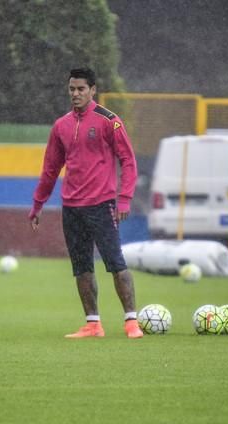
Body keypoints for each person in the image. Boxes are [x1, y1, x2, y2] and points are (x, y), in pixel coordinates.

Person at [29, 67, 143, 339]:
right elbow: (50, 169)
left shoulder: (110, 121)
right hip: (71, 207)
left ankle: (131, 322)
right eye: (72, 89)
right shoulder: (61, 126)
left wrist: (124, 198)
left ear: (93, 90)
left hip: (102, 204)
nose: (76, 94)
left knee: (116, 263)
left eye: (81, 89)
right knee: (81, 267)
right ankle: (93, 324)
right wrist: (38, 204)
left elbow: (128, 161)